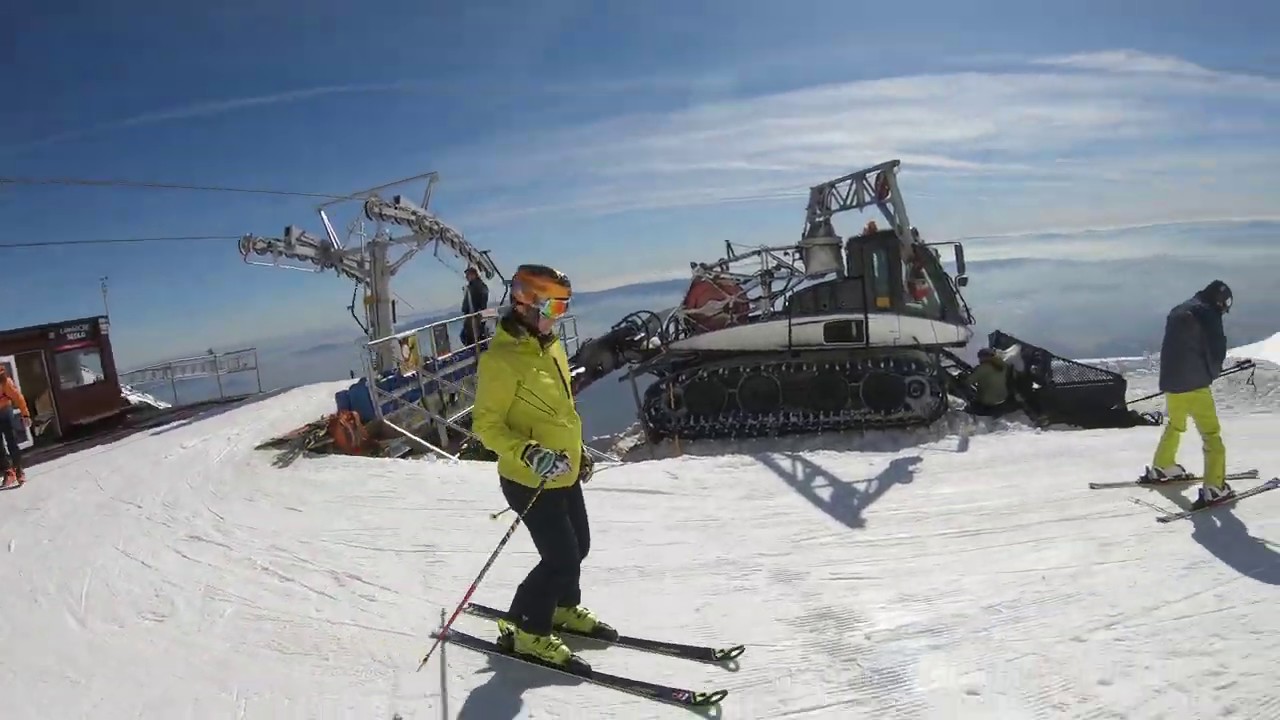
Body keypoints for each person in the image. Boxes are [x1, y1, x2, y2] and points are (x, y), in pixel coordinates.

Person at [469, 263, 612, 672]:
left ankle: (563, 608)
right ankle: (529, 630)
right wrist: (529, 453)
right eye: (555, 306)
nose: (558, 316)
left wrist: (578, 451)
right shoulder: (501, 360)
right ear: (527, 302)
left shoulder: (549, 346)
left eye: (564, 308)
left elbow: (561, 412)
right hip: (528, 478)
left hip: (563, 470)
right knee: (560, 558)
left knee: (578, 547)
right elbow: (486, 426)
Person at [1142, 279, 1234, 510]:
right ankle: (1215, 486)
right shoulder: (1208, 314)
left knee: (1176, 424)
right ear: (1220, 301)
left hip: (1171, 383)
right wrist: (1212, 374)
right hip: (1195, 386)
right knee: (1211, 435)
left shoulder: (1180, 309)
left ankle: (1162, 466)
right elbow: (1216, 349)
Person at [0, 365, 32, 487]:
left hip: (5, 411)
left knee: (11, 441)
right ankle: (9, 472)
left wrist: (25, 415)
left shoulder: (4, 381)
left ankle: (19, 470)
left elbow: (18, 397)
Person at [965, 347, 1014, 417]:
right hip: (1002, 400)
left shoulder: (983, 368)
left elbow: (968, 381)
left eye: (980, 357)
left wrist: (964, 377)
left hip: (988, 402)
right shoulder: (1003, 365)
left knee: (970, 398)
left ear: (985, 357)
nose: (979, 360)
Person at [459, 266, 490, 349]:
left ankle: (478, 348)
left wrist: (479, 310)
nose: (466, 277)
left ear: (473, 275)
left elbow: (482, 297)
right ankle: (478, 347)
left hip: (474, 314)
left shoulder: (477, 286)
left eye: (468, 275)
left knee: (469, 336)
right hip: (472, 314)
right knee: (469, 336)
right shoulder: (474, 286)